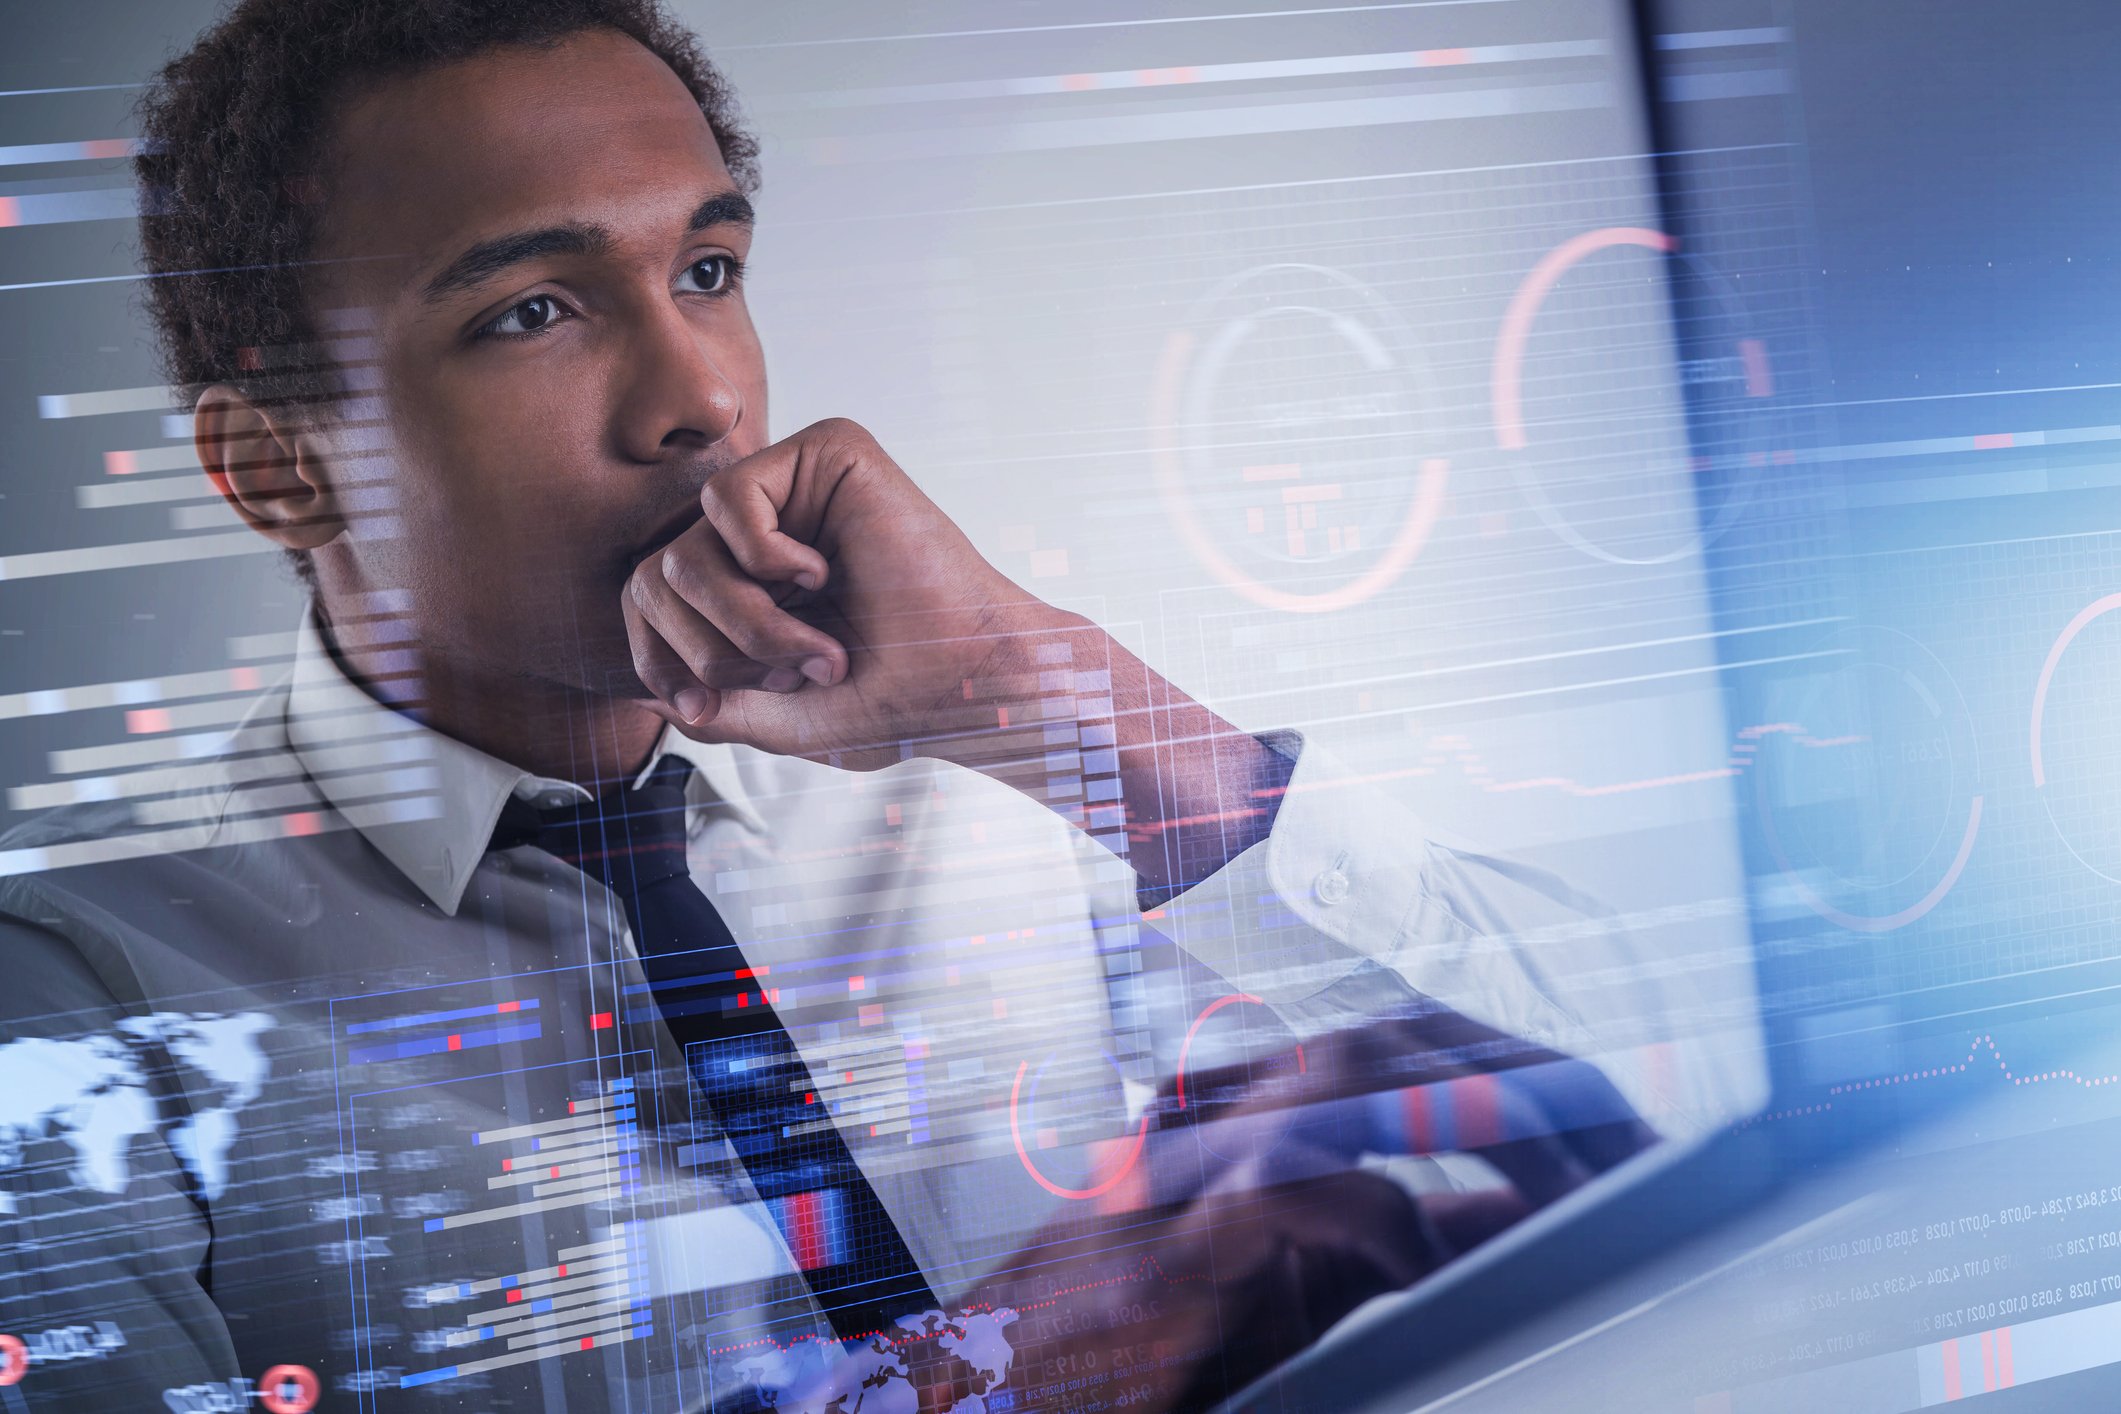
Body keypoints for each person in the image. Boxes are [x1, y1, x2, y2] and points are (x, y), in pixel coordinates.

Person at [0, 1, 1757, 1409]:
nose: (697, 394)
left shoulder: (1002, 794)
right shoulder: (86, 1007)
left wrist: (1053, 695)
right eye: (532, 310)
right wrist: (1013, 1365)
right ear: (271, 466)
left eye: (705, 270)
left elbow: (1665, 1115)